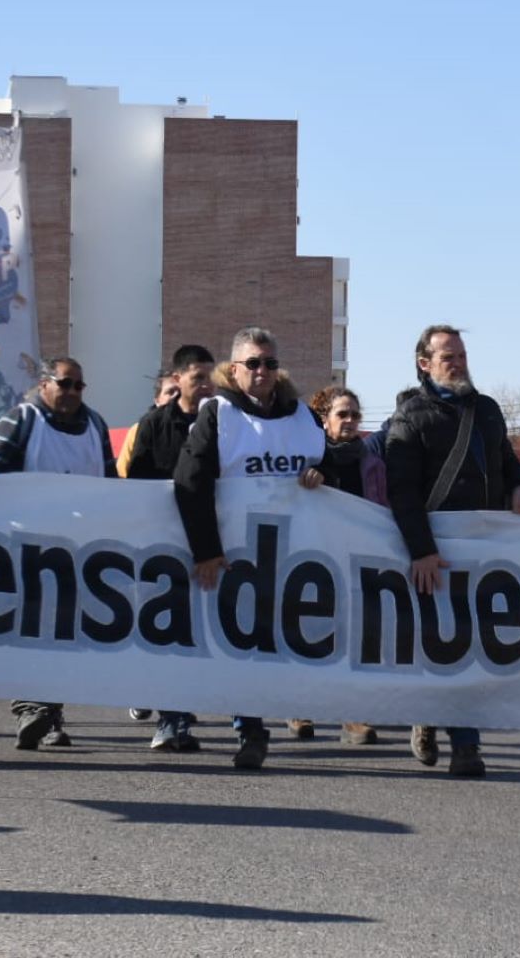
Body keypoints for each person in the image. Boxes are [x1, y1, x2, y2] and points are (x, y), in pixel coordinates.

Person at [384, 325, 520, 777]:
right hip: (435, 552)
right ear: (424, 363)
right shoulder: (410, 418)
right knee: (442, 643)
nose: (458, 363)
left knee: (473, 643)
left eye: (462, 355)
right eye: (447, 356)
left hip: (483, 550)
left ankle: (465, 742)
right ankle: (437, 720)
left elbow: (507, 461)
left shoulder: (486, 411)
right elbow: (402, 493)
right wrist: (422, 551)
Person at [173, 326, 326, 770]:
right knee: (242, 643)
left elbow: (334, 461)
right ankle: (251, 730)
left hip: (298, 555)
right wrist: (206, 549)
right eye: (254, 363)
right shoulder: (218, 413)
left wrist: (325, 475)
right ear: (234, 368)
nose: (263, 371)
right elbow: (190, 482)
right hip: (236, 556)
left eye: (271, 363)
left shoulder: (303, 416)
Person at [0, 355, 114, 751]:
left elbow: (113, 482)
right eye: (64, 383)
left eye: (79, 385)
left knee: (63, 634)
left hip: (79, 549)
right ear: (44, 384)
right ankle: (28, 708)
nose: (72, 392)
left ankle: (51, 714)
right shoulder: (22, 419)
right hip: (25, 547)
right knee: (27, 630)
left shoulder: (95, 425)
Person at [124, 343, 216, 752]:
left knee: (199, 634)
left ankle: (180, 716)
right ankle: (171, 719)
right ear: (177, 380)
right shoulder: (153, 425)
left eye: (210, 377)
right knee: (166, 632)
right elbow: (137, 486)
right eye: (198, 377)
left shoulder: (224, 423)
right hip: (162, 547)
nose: (206, 385)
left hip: (210, 547)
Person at [309, 384, 386, 746]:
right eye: (342, 414)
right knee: (311, 631)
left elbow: (381, 508)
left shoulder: (371, 462)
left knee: (356, 636)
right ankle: (300, 705)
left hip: (358, 559)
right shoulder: (309, 458)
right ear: (325, 421)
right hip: (314, 557)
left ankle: (354, 714)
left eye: (355, 414)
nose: (351, 421)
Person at [116, 374, 179, 478]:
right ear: (157, 400)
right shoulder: (138, 429)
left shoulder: (195, 428)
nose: (176, 396)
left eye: (180, 392)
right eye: (170, 392)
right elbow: (122, 473)